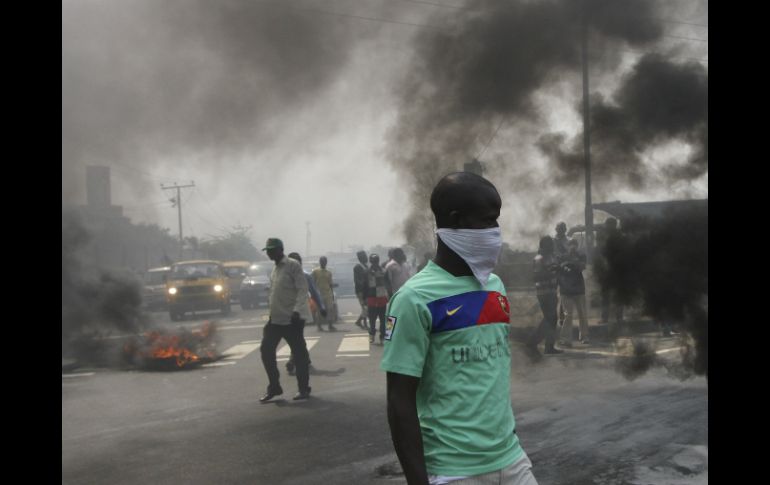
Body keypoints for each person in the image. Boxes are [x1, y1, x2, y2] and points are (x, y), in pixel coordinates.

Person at [381, 172, 537, 485]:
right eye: (488, 220)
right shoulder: (413, 299)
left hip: (513, 461)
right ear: (456, 220)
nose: (496, 232)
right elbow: (399, 401)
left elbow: (490, 376)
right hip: (454, 471)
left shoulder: (495, 288)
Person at [259, 238, 312, 402]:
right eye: (267, 250)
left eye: (272, 250)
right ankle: (274, 387)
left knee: (299, 355)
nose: (269, 253)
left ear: (280, 250)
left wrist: (297, 311)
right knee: (266, 351)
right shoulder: (274, 269)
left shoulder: (292, 265)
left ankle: (303, 388)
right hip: (275, 320)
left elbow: (303, 289)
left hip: (291, 319)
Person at [285, 252, 327, 376]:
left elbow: (314, 292)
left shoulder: (304, 276)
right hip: (290, 311)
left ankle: (293, 360)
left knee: (296, 336)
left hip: (298, 311)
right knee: (296, 337)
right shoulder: (286, 276)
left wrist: (322, 307)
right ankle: (304, 359)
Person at [526, 236, 563, 356]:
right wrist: (551, 271)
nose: (552, 246)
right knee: (549, 318)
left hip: (552, 291)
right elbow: (536, 277)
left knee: (552, 319)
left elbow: (556, 271)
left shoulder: (552, 256)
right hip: (544, 293)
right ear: (544, 246)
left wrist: (558, 270)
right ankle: (533, 341)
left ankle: (549, 346)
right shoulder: (539, 258)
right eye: (550, 244)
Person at [557, 239, 590, 346]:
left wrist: (570, 262)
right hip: (566, 289)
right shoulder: (562, 256)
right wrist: (569, 263)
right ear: (568, 245)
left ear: (577, 246)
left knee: (582, 314)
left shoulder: (581, 255)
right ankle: (566, 339)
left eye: (575, 245)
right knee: (568, 315)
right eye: (571, 245)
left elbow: (582, 266)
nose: (573, 247)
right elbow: (559, 268)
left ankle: (584, 336)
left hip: (579, 289)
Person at [596, 217, 624, 335]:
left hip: (616, 268)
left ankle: (618, 317)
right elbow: (599, 249)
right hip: (607, 269)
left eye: (609, 225)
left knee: (618, 295)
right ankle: (606, 317)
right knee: (605, 294)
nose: (607, 227)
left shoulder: (618, 235)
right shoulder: (602, 234)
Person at [365, 253, 389, 345]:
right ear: (370, 262)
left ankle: (383, 336)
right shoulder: (367, 272)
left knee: (383, 320)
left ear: (378, 261)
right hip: (371, 298)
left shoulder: (384, 271)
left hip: (382, 298)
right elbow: (364, 286)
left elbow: (388, 284)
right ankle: (372, 335)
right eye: (373, 261)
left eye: (376, 261)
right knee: (372, 319)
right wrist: (364, 298)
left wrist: (389, 295)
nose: (374, 263)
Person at [312, 256, 337, 332]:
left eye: (324, 261)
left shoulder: (328, 272)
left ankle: (330, 325)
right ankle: (319, 326)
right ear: (320, 262)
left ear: (326, 262)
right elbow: (312, 283)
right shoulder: (315, 271)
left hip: (328, 293)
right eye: (322, 261)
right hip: (319, 294)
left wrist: (332, 293)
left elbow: (330, 284)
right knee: (319, 310)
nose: (323, 262)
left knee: (330, 309)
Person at [553, 222, 569, 326]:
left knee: (563, 295)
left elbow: (568, 254)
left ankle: (562, 318)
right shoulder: (552, 241)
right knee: (553, 296)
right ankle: (553, 318)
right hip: (554, 269)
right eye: (559, 229)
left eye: (561, 229)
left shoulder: (568, 241)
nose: (559, 230)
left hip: (563, 269)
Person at [353, 250, 369, 329]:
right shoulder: (358, 267)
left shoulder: (366, 266)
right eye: (364, 256)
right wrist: (363, 285)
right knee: (365, 308)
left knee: (366, 307)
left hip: (367, 290)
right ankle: (359, 321)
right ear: (360, 258)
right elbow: (357, 280)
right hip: (361, 291)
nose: (366, 257)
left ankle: (364, 323)